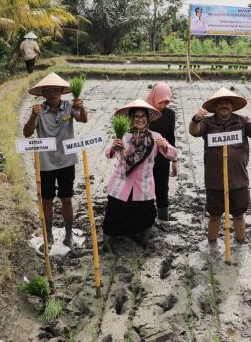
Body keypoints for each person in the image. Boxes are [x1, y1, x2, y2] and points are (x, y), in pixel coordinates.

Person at [189, 87, 251, 243]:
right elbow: (194, 132)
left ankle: (241, 242)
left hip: (238, 179)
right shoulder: (207, 123)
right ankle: (212, 245)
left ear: (233, 106)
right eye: (221, 103)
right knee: (214, 215)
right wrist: (195, 119)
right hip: (214, 180)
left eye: (228, 102)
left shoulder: (243, 121)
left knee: (239, 213)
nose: (224, 105)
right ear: (215, 106)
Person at [23, 73, 88, 247]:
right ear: (43, 94)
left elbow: (83, 119)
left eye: (55, 90)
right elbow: (27, 133)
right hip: (46, 163)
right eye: (48, 91)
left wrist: (82, 107)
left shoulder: (68, 107)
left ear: (61, 92)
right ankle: (49, 235)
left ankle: (68, 235)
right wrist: (32, 116)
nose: (52, 94)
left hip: (66, 161)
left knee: (66, 199)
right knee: (47, 200)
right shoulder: (38, 110)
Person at [104, 99, 178, 249]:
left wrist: (165, 146)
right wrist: (114, 147)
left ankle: (143, 241)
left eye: (143, 116)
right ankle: (107, 242)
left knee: (147, 215)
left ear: (147, 119)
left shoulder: (155, 137)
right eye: (136, 116)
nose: (140, 119)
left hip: (143, 185)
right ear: (131, 119)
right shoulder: (125, 136)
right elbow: (109, 154)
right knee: (114, 213)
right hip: (122, 182)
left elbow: (173, 153)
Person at [147, 82, 178, 221]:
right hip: (144, 158)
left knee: (162, 189)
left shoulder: (170, 114)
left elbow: (171, 137)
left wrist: (174, 161)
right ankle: (146, 218)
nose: (163, 105)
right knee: (145, 188)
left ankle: (163, 218)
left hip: (162, 157)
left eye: (166, 102)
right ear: (154, 96)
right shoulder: (143, 111)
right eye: (161, 101)